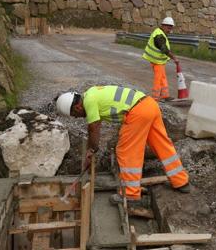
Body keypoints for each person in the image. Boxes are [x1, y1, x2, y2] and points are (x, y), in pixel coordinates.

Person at [56, 85, 191, 207]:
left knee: (125, 151)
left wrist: (92, 150)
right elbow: (96, 125)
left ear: (77, 107)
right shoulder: (92, 93)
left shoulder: (89, 101)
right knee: (161, 144)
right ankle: (181, 181)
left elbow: (93, 127)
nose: (76, 118)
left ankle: (131, 194)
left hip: (137, 112)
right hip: (149, 104)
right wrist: (93, 148)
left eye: (74, 115)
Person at [142, 17, 179, 101]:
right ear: (163, 25)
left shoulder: (160, 33)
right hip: (157, 61)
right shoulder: (159, 35)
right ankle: (155, 97)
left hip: (158, 60)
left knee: (162, 77)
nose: (169, 30)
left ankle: (165, 95)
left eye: (171, 28)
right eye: (168, 27)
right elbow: (164, 49)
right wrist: (174, 57)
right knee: (158, 79)